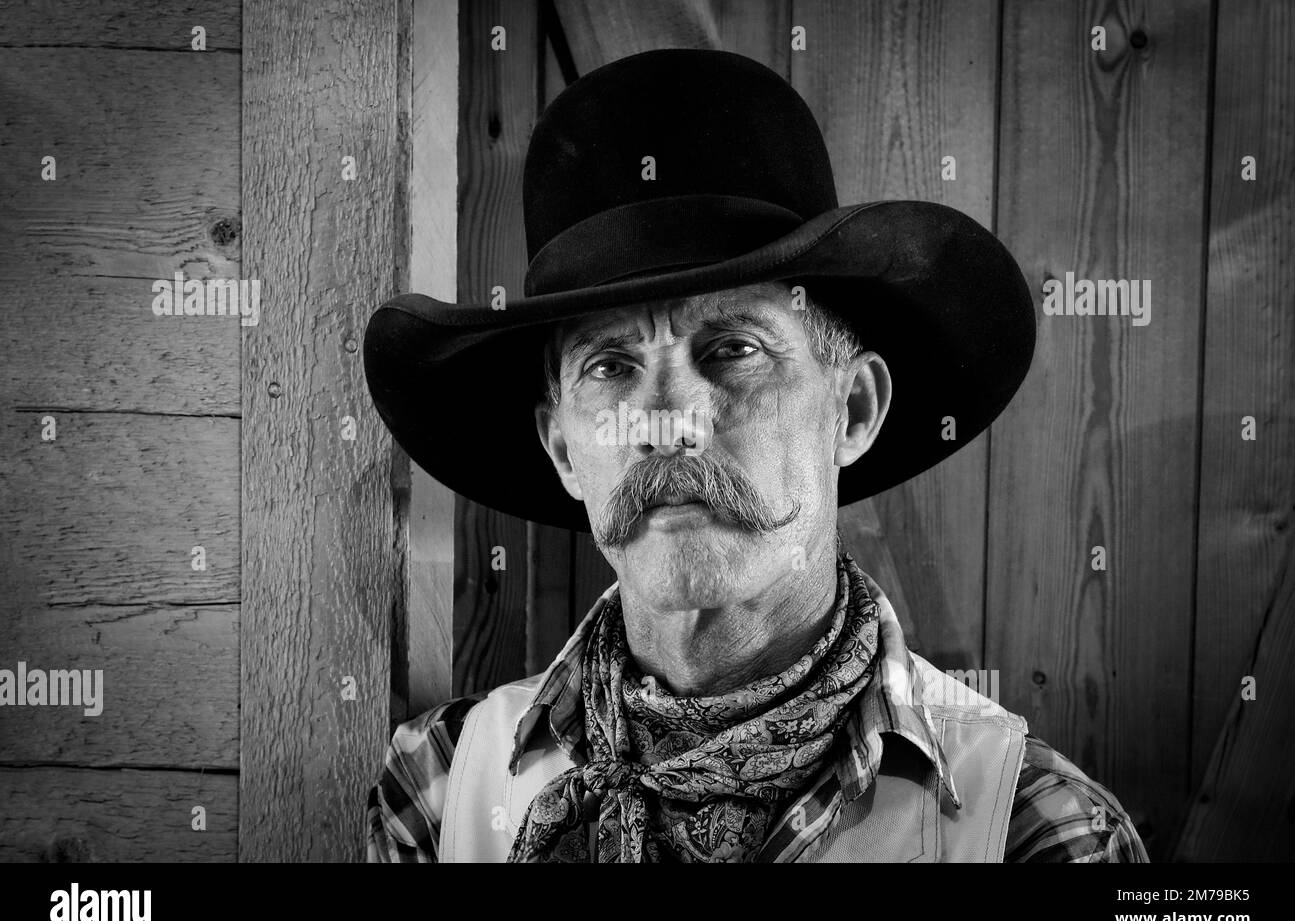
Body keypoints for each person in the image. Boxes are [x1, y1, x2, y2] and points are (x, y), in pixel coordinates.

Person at [361, 49, 1148, 863]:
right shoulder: (441, 787)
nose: (666, 423)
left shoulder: (1038, 830)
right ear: (563, 446)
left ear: (854, 408)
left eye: (732, 348)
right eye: (610, 366)